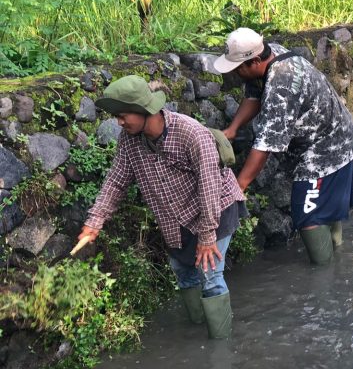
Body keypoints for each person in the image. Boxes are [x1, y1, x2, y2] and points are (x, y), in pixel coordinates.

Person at [77, 75, 246, 339]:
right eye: (117, 117)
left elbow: (210, 185)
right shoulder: (129, 141)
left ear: (144, 110)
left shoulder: (191, 133)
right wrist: (94, 222)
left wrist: (207, 235)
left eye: (123, 116)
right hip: (176, 216)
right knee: (182, 270)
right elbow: (116, 181)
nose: (119, 122)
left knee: (210, 274)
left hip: (216, 208)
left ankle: (220, 346)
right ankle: (197, 328)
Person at [213, 28, 353, 266]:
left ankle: (327, 275)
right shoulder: (270, 55)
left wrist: (238, 187)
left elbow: (265, 146)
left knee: (308, 215)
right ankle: (336, 253)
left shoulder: (281, 84)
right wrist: (233, 128)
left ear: (255, 60)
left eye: (238, 68)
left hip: (327, 149)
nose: (236, 74)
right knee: (324, 208)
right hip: (331, 134)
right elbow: (254, 96)